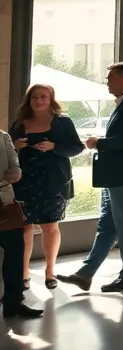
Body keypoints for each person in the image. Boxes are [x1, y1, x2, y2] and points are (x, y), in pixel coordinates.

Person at [58, 62, 123, 293]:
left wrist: (97, 143)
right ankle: (85, 274)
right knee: (108, 225)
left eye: (110, 78)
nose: (107, 82)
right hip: (117, 175)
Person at [10, 83, 82, 292]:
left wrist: (55, 147)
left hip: (53, 182)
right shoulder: (20, 123)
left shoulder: (62, 122)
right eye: (35, 97)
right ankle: (24, 273)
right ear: (29, 100)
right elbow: (7, 152)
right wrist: (16, 147)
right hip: (24, 182)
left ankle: (50, 272)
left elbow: (77, 147)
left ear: (51, 99)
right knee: (24, 227)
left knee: (50, 226)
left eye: (43, 97)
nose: (39, 101)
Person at [0, 129, 37, 319]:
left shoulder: (3, 136)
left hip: (6, 201)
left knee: (15, 252)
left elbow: (15, 168)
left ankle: (13, 303)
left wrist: (14, 173)